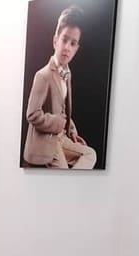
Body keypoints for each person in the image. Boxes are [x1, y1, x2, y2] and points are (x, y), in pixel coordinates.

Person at [23, 6, 97, 169]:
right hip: (46, 142)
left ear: (76, 49)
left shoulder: (67, 74)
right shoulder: (43, 75)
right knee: (63, 173)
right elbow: (32, 114)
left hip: (61, 138)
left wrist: (72, 131)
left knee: (90, 154)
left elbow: (63, 110)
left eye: (73, 43)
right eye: (64, 40)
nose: (67, 47)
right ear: (55, 41)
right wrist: (58, 123)